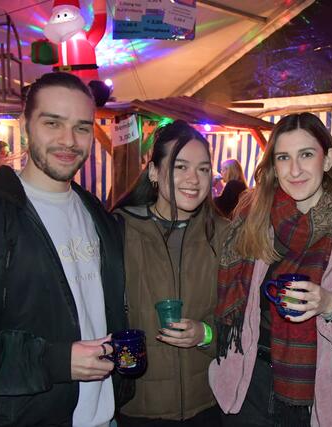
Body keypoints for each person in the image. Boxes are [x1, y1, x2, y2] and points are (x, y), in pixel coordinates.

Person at [0, 72, 131, 426]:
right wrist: (54, 361)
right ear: (25, 126)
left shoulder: (97, 215)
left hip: (105, 416)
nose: (68, 140)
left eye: (82, 127)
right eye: (52, 123)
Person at [210, 112, 332, 427]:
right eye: (284, 157)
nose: (295, 169)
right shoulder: (254, 216)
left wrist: (329, 305)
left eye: (306, 155)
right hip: (248, 386)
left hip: (314, 396)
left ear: (327, 160)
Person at [113, 120, 229, 426]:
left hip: (207, 404)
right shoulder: (119, 231)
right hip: (140, 408)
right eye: (181, 167)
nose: (194, 179)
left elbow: (243, 323)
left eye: (203, 169)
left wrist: (205, 334)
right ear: (153, 172)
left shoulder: (224, 235)